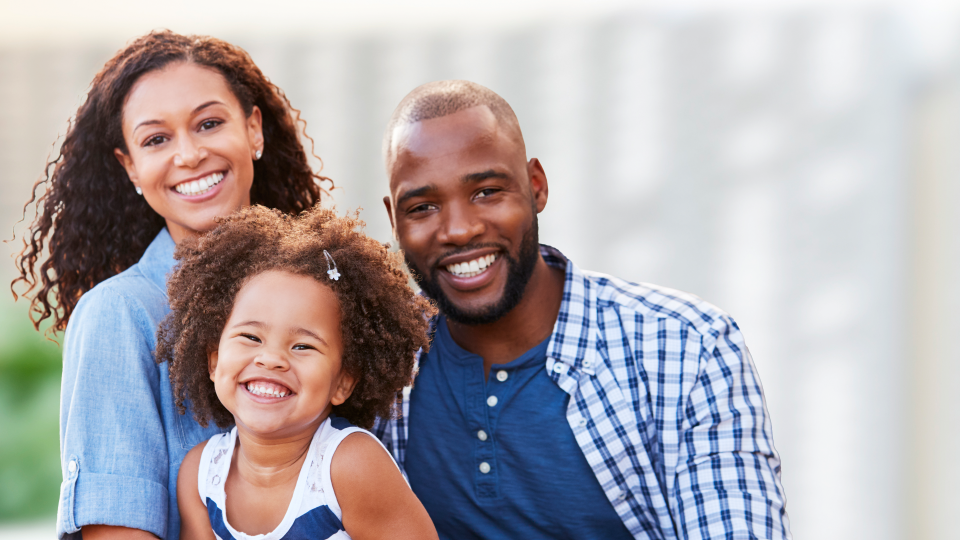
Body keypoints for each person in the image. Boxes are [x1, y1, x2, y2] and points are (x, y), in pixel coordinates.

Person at [375, 80, 792, 539]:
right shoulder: (372, 365)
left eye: (486, 191)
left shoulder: (689, 349)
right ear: (394, 221)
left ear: (536, 186)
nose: (458, 229)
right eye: (424, 206)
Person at [12, 31, 329, 540]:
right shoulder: (119, 315)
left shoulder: (325, 288)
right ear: (130, 166)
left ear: (253, 130)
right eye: (157, 139)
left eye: (209, 123)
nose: (189, 154)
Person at [157, 205, 438, 540]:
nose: (272, 358)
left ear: (343, 381)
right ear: (214, 362)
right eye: (251, 337)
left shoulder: (350, 467)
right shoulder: (201, 475)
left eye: (303, 346)